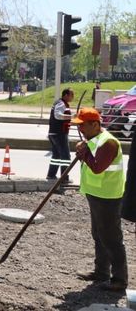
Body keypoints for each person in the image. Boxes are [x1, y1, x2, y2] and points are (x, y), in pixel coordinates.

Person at [73, 108, 128, 292]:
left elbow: (97, 168)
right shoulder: (93, 140)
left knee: (111, 238)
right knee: (98, 235)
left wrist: (84, 153)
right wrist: (84, 151)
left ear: (95, 124)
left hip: (108, 197)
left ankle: (119, 280)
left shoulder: (109, 143)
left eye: (83, 126)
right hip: (96, 194)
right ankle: (101, 273)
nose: (80, 130)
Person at [47, 88, 74, 181]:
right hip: (59, 134)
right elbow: (58, 115)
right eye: (71, 95)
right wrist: (72, 116)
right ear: (66, 95)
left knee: (56, 156)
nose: (73, 97)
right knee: (66, 157)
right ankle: (64, 178)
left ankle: (51, 175)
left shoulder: (60, 103)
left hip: (54, 133)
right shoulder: (61, 103)